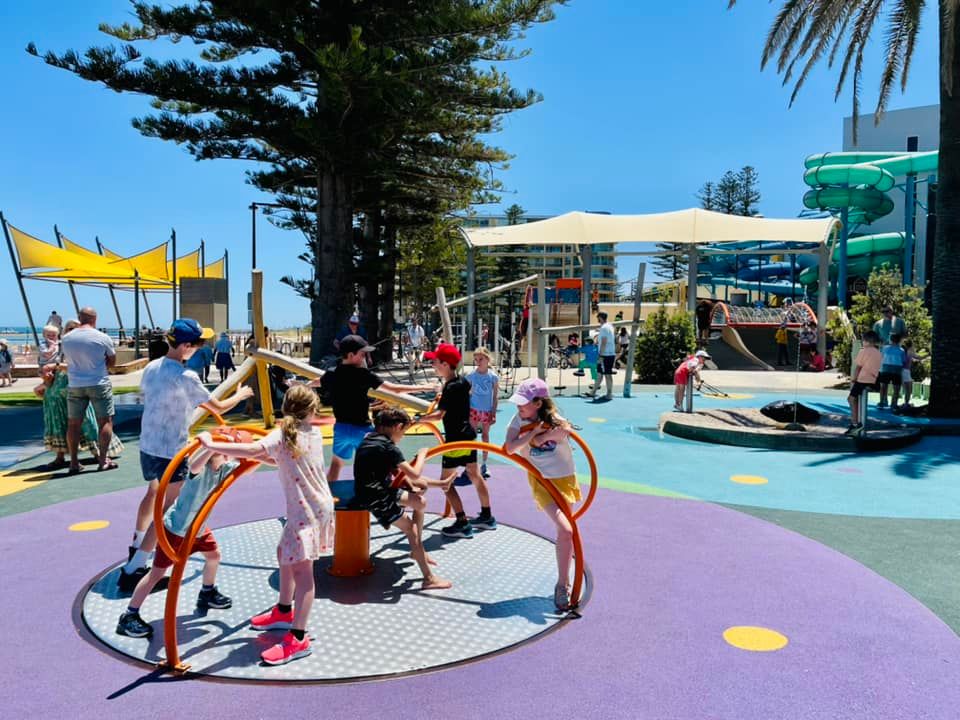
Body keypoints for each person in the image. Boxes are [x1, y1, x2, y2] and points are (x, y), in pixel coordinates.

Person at [199, 384, 334, 666]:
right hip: (315, 506)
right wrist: (245, 454)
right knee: (284, 554)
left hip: (305, 511)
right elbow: (279, 458)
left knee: (303, 571)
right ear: (311, 409)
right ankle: (284, 611)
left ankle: (298, 638)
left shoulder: (284, 433)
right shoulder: (311, 432)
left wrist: (210, 443)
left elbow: (256, 447)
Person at [118, 319, 254, 592]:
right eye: (196, 345)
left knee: (153, 495)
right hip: (170, 450)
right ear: (184, 347)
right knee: (167, 511)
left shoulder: (152, 367)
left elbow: (159, 400)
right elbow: (218, 406)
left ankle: (136, 546)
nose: (198, 349)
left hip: (149, 445)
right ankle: (135, 568)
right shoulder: (186, 376)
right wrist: (241, 395)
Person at [116, 440, 244, 638]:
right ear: (211, 456)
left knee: (214, 556)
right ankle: (129, 616)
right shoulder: (198, 472)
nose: (226, 455)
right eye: (221, 452)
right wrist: (210, 445)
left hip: (197, 529)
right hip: (175, 530)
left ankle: (207, 592)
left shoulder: (225, 469)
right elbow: (193, 464)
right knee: (157, 573)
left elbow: (248, 465)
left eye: (226, 452)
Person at [504, 378, 581, 611]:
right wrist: (532, 435)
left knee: (566, 532)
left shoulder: (554, 420)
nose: (519, 407)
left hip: (565, 479)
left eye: (524, 403)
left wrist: (543, 436)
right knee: (567, 529)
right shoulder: (518, 419)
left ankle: (564, 580)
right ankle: (562, 584)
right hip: (542, 482)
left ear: (538, 403)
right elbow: (509, 447)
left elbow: (565, 431)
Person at [354, 407, 452, 590]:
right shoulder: (389, 447)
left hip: (378, 488)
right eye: (404, 431)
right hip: (376, 496)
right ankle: (428, 578)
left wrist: (440, 484)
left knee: (419, 502)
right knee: (411, 529)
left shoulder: (371, 439)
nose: (404, 436)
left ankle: (417, 551)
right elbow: (414, 473)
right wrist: (422, 455)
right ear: (398, 426)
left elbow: (401, 476)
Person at [312, 335, 433, 483]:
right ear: (351, 355)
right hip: (362, 430)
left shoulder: (332, 373)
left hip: (341, 429)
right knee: (384, 464)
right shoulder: (363, 374)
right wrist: (425, 387)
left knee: (336, 465)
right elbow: (394, 389)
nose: (365, 358)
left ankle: (327, 495)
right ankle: (399, 490)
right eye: (362, 354)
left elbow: (318, 381)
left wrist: (300, 385)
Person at [418, 343, 495, 538]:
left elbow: (438, 415)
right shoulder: (462, 382)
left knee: (445, 482)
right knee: (475, 475)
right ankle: (487, 516)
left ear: (445, 364)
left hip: (455, 440)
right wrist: (443, 396)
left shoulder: (451, 387)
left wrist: (419, 419)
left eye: (435, 362)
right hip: (468, 435)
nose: (433, 365)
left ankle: (462, 522)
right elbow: (460, 398)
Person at [37, 320, 123, 470]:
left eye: (75, 328)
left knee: (87, 422)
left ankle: (98, 454)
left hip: (76, 386)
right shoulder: (62, 345)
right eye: (69, 328)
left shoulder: (75, 346)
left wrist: (54, 366)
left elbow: (74, 365)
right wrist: (44, 381)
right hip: (57, 388)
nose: (72, 331)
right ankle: (62, 456)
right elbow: (44, 366)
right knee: (59, 423)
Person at [61, 307, 116, 474]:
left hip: (75, 383)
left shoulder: (66, 338)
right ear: (95, 319)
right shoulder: (102, 337)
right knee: (104, 421)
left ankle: (74, 463)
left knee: (73, 423)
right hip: (98, 382)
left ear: (79, 318)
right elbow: (112, 362)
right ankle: (103, 459)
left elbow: (67, 359)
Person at [466, 347, 499, 478]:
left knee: (485, 436)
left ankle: (484, 464)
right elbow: (466, 394)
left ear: (487, 359)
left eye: (481, 359)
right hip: (473, 410)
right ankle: (470, 464)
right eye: (476, 359)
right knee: (472, 437)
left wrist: (494, 412)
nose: (478, 362)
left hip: (486, 410)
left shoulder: (493, 376)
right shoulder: (471, 376)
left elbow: (495, 396)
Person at [846, 330, 882, 435]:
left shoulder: (863, 351)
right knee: (856, 398)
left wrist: (853, 379)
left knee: (851, 399)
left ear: (866, 341)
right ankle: (857, 422)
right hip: (874, 381)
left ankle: (855, 424)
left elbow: (858, 367)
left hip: (863, 379)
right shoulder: (878, 353)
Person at [587, 311, 616, 400]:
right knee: (600, 373)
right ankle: (593, 391)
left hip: (605, 355)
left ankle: (609, 393)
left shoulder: (603, 328)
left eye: (598, 318)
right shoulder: (609, 326)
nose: (597, 320)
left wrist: (600, 355)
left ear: (600, 318)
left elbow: (604, 342)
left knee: (607, 374)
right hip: (610, 354)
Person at [877, 333, 906, 410]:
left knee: (883, 386)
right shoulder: (901, 350)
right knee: (896, 388)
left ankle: (881, 402)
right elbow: (903, 361)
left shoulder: (885, 348)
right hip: (897, 370)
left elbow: (880, 357)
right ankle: (894, 404)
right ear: (899, 341)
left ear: (890, 340)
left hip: (886, 369)